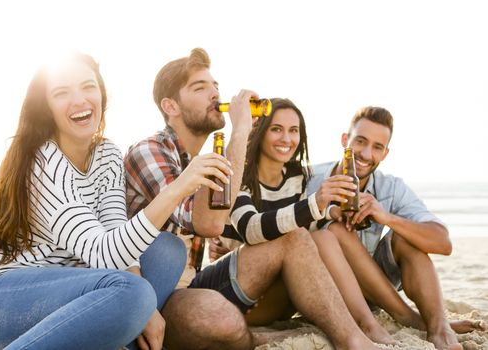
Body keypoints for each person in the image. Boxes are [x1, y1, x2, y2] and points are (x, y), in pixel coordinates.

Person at [0, 52, 226, 350]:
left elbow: (115, 231)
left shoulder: (107, 154)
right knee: (134, 293)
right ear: (46, 107)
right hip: (0, 303)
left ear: (101, 93)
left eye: (88, 86)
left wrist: (145, 310)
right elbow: (103, 254)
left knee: (168, 250)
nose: (79, 100)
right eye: (61, 93)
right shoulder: (43, 161)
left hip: (74, 290)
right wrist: (178, 188)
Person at [125, 48, 381, 350]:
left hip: (191, 285)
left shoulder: (205, 158)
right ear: (171, 106)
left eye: (215, 86)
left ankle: (354, 340)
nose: (214, 94)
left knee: (295, 239)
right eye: (200, 87)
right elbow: (208, 222)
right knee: (223, 322)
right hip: (154, 295)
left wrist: (328, 212)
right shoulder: (150, 152)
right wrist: (242, 130)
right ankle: (256, 339)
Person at [210, 97, 397, 345]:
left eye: (293, 130)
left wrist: (330, 213)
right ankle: (364, 325)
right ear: (260, 131)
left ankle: (375, 321)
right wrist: (316, 204)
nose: (286, 139)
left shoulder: (299, 175)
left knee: (331, 233)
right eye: (276, 129)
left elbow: (299, 228)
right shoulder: (238, 175)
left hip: (283, 292)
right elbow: (250, 229)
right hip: (243, 298)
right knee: (303, 237)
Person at [306, 106, 486, 350]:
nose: (366, 153)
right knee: (336, 231)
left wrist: (386, 217)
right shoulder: (310, 178)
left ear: (385, 153)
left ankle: (438, 328)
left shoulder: (390, 187)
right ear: (345, 140)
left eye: (377, 147)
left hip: (374, 293)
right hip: (325, 290)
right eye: (360, 141)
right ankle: (409, 318)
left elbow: (443, 244)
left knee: (405, 237)